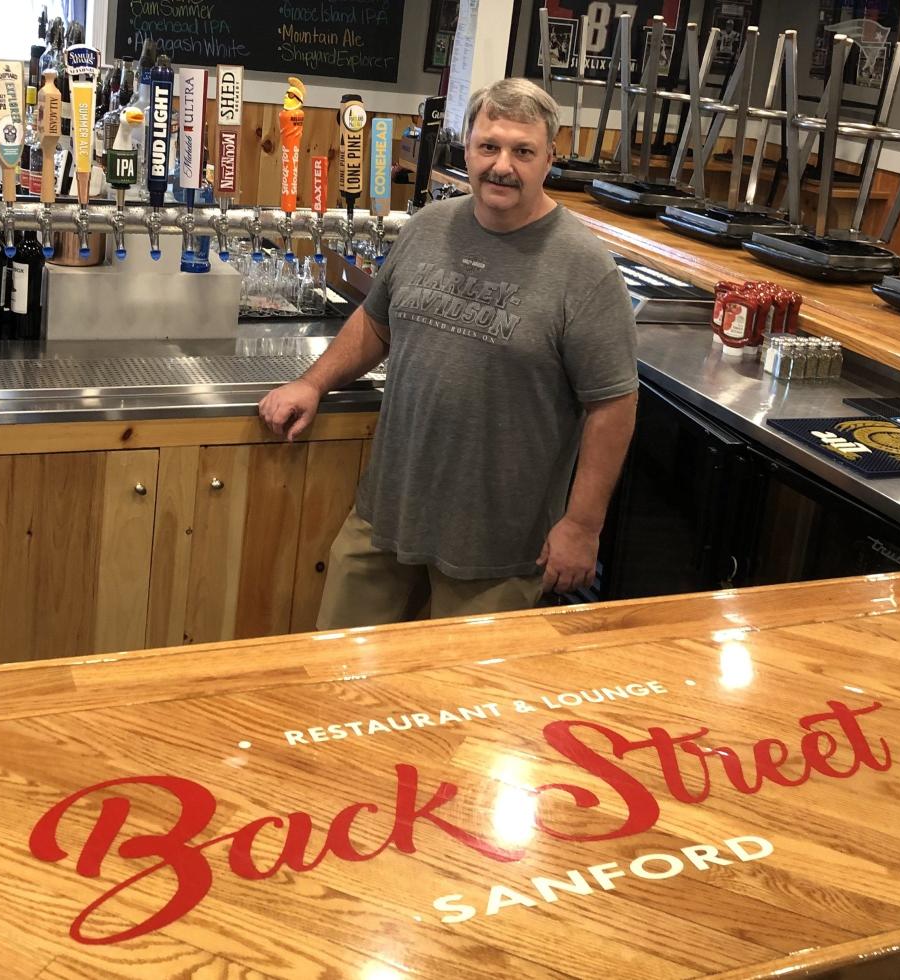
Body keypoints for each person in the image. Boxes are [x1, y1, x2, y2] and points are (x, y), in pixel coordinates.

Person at [259, 78, 638, 629]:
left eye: (522, 151)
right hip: (387, 517)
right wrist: (312, 383)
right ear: (468, 148)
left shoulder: (585, 269)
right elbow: (375, 323)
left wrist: (582, 526)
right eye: (489, 146)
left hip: (497, 549)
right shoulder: (428, 228)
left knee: (461, 707)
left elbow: (613, 404)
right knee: (337, 678)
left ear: (549, 159)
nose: (502, 165)